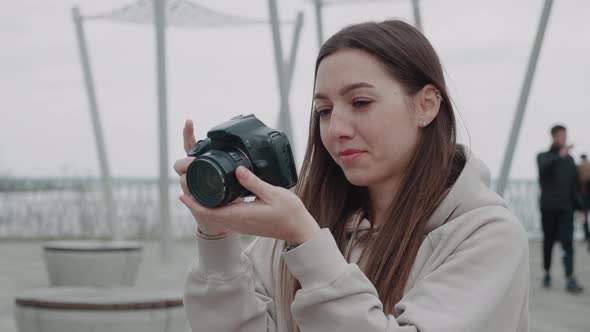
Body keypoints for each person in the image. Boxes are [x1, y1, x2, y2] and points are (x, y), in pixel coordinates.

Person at [175, 20, 529, 331]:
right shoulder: (297, 222)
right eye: (324, 111)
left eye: (360, 103)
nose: (335, 129)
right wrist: (216, 235)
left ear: (426, 105)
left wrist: (308, 244)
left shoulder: (487, 236)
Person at [537, 125, 584, 293]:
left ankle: (570, 278)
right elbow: (543, 170)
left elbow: (575, 187)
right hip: (548, 208)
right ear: (553, 136)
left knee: (567, 243)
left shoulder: (570, 160)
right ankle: (547, 272)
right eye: (561, 135)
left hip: (566, 208)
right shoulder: (543, 157)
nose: (564, 138)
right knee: (548, 242)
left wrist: (581, 208)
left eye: (565, 135)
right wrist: (559, 154)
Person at [577, 154, 590, 248]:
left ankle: (586, 235)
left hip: (582, 197)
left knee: (583, 217)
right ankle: (586, 235)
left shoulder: (579, 168)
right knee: (584, 217)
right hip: (584, 197)